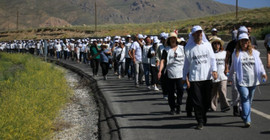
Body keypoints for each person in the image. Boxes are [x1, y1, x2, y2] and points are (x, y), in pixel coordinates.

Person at [228, 33, 267, 128]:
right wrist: (229, 77)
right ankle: (247, 119)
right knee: (245, 97)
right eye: (242, 41)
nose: (244, 42)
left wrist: (263, 73)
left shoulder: (254, 52)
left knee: (249, 100)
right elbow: (232, 66)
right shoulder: (236, 53)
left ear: (248, 41)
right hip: (241, 80)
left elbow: (260, 64)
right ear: (239, 42)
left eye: (246, 40)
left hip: (253, 80)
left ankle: (244, 115)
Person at [183, 25, 218, 130]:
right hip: (195, 78)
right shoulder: (189, 48)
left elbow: (212, 59)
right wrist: (184, 77)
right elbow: (186, 64)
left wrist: (214, 70)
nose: (199, 34)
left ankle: (203, 115)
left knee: (207, 101)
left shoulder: (207, 45)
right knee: (197, 101)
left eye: (200, 32)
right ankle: (200, 121)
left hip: (206, 77)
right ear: (193, 35)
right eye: (197, 33)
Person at [158, 32, 185, 115]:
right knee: (171, 91)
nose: (173, 40)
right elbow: (163, 61)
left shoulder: (182, 48)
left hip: (180, 72)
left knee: (180, 89)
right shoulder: (166, 50)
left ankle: (179, 104)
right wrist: (160, 71)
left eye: (174, 38)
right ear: (169, 40)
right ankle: (172, 107)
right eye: (171, 38)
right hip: (170, 72)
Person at [225, 26, 248, 116]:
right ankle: (235, 106)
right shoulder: (232, 44)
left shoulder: (248, 43)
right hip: (234, 69)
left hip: (245, 69)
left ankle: (242, 108)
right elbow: (227, 56)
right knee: (235, 89)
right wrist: (226, 67)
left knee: (244, 90)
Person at [210, 37, 230, 112]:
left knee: (222, 90)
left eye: (218, 43)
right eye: (215, 43)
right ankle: (212, 106)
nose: (216, 45)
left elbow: (226, 62)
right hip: (213, 76)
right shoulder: (210, 54)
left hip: (222, 75)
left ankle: (225, 106)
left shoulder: (224, 53)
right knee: (213, 93)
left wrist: (226, 69)